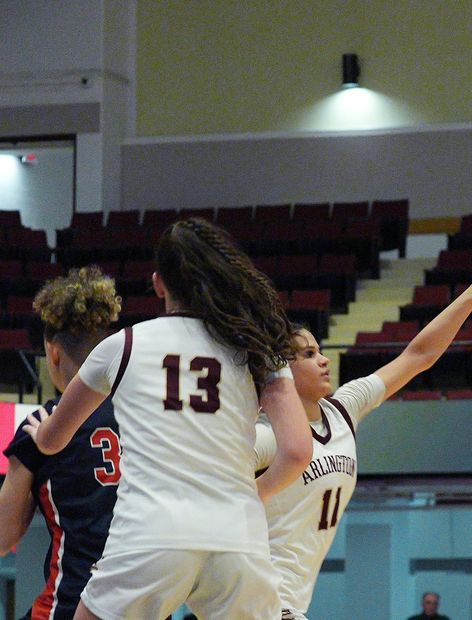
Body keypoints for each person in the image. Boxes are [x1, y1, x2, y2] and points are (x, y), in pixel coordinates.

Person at [23, 218, 312, 620]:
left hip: (150, 535)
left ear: (159, 283)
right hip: (237, 537)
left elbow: (54, 440)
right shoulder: (259, 347)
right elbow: (298, 451)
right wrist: (254, 492)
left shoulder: (122, 346)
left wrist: (40, 435)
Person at [253, 219, 472, 619]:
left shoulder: (344, 408)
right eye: (307, 354)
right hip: (259, 600)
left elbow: (418, 356)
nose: (322, 360)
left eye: (320, 350)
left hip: (292, 601)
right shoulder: (266, 438)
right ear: (280, 368)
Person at [0, 266, 121, 620]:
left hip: (69, 606)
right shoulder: (145, 415)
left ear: (53, 353)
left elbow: (4, 535)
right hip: (142, 606)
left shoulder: (43, 427)